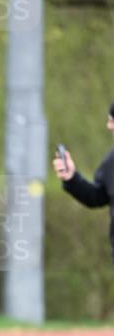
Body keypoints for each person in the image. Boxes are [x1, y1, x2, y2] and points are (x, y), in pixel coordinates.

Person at [52, 102, 114, 261]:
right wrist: (72, 178)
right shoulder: (112, 160)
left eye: (112, 121)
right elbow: (99, 196)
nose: (109, 126)